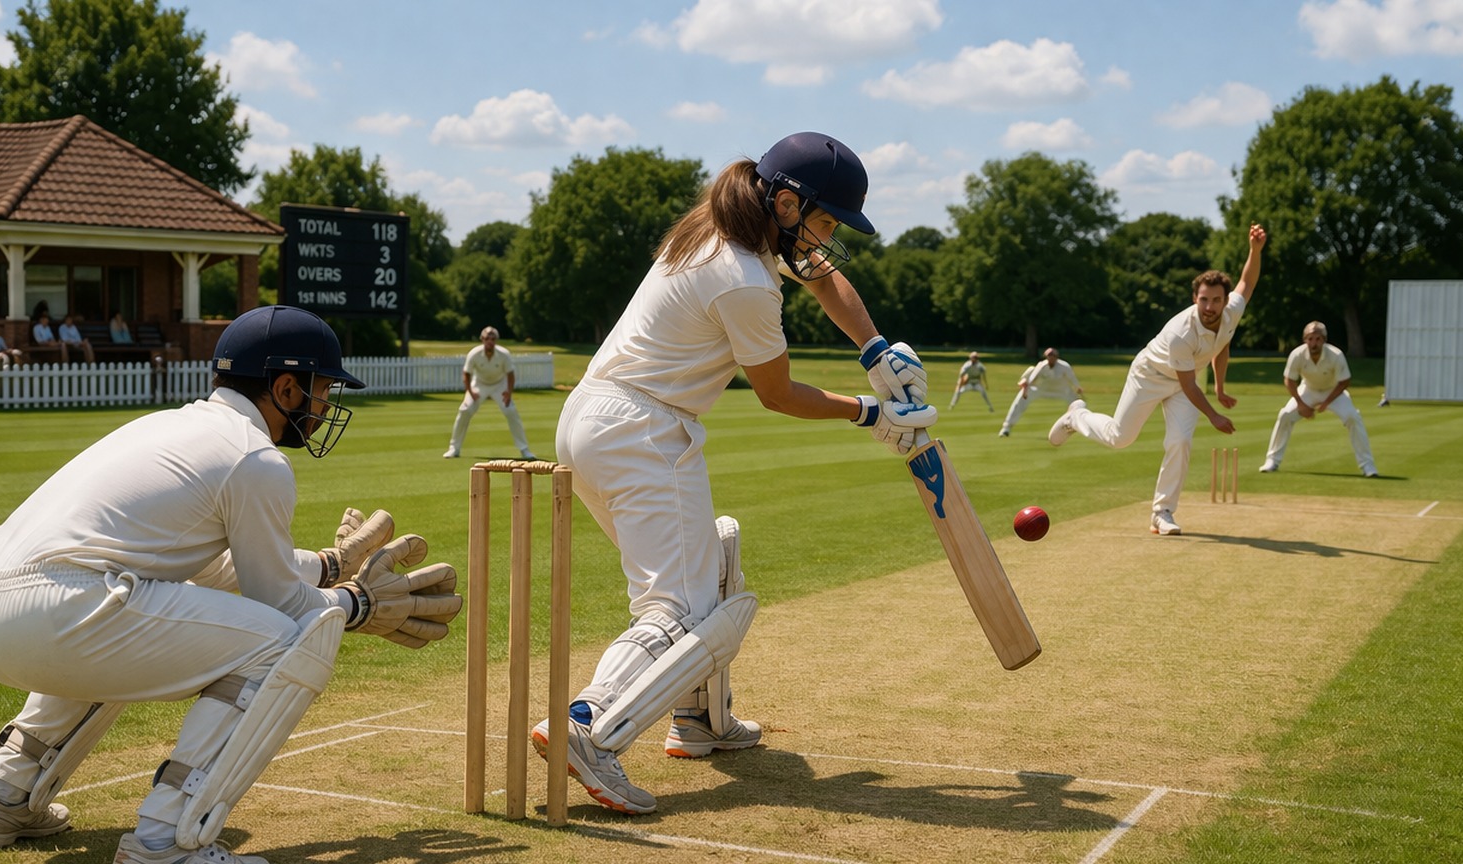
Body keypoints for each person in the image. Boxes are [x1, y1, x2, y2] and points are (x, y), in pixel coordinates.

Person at [0, 305, 461, 863]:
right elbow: (283, 607)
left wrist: (330, 564)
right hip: (58, 612)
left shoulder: (168, 425)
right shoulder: (255, 457)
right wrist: (359, 604)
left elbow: (212, 569)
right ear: (288, 387)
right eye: (322, 390)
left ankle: (4, 797)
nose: (325, 406)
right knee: (280, 640)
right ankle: (166, 840)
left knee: (129, 603)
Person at [529, 131, 934, 815]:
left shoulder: (715, 225)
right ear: (784, 202)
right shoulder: (745, 280)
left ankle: (701, 722)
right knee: (679, 609)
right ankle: (589, 726)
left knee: (711, 560)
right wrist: (870, 413)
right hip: (643, 430)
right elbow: (777, 394)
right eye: (826, 220)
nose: (829, 238)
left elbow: (821, 274)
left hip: (599, 419)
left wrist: (874, 348)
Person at [1048, 223, 1268, 535]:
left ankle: (1162, 512)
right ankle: (1076, 417)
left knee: (1179, 440)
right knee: (1119, 438)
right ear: (1195, 298)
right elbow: (1189, 384)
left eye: (1216, 300)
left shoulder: (1232, 311)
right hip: (1151, 375)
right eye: (1203, 300)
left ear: (1225, 299)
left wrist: (1254, 250)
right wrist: (1214, 415)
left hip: (1186, 378)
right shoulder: (1182, 331)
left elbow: (1246, 286)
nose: (1209, 307)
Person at [1259, 321, 1378, 477]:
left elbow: (1344, 381)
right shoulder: (1297, 354)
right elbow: (1289, 380)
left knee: (1352, 417)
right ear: (1305, 340)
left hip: (1333, 391)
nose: (1313, 343)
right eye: (1310, 339)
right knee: (1285, 415)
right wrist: (1301, 405)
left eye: (1317, 339)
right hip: (1308, 389)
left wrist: (1327, 402)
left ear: (1324, 340)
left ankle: (1368, 466)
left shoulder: (1336, 355)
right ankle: (1272, 461)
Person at [441, 326, 537, 460]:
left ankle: (524, 450)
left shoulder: (504, 354)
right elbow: (466, 374)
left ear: (496, 340)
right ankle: (454, 448)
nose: (489, 341)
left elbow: (510, 375)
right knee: (465, 410)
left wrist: (508, 393)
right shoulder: (474, 353)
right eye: (487, 339)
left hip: (499, 385)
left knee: (511, 412)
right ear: (482, 339)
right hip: (479, 384)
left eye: (492, 339)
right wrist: (470, 392)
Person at [998, 348, 1083, 437]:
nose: (1051, 358)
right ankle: (1006, 428)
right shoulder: (1041, 365)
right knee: (1021, 397)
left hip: (1062, 391)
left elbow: (1072, 378)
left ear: (1057, 357)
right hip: (1041, 390)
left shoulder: (1064, 366)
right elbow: (1032, 378)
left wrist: (1077, 387)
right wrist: (1025, 386)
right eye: (1048, 356)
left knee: (1077, 403)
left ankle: (1082, 427)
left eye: (1053, 356)